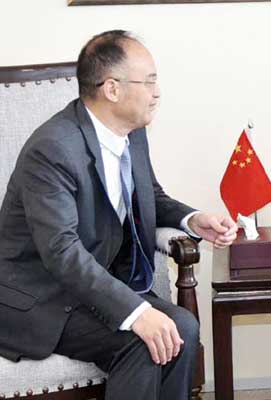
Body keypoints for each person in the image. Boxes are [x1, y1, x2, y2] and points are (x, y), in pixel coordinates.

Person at [0, 30, 238, 399]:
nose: (157, 92)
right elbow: (62, 252)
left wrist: (192, 219)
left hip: (93, 288)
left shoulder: (132, 133)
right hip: (43, 298)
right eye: (149, 81)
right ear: (112, 88)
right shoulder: (52, 150)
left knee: (182, 328)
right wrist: (136, 313)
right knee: (142, 341)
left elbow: (149, 197)